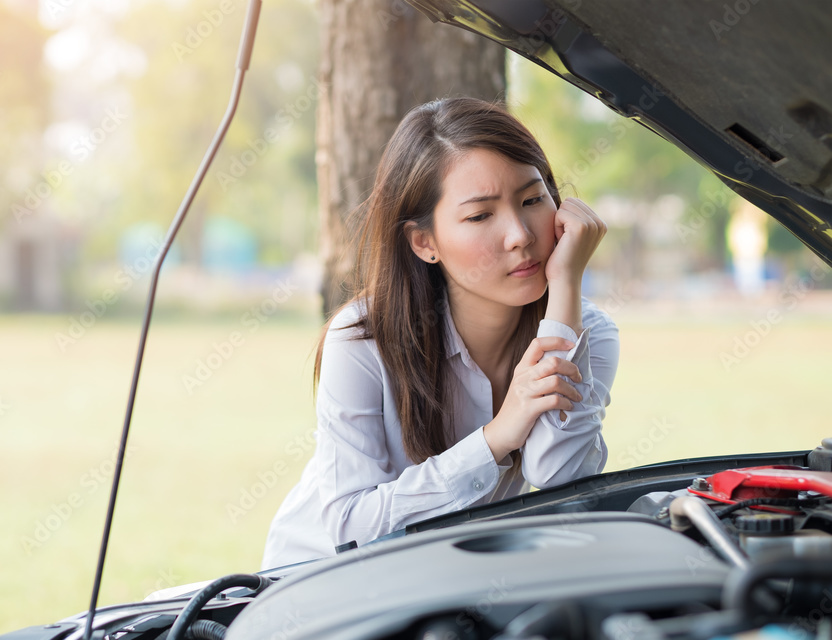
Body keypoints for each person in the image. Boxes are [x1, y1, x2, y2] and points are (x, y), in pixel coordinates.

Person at [261, 97, 619, 570]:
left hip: (447, 580)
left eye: (532, 200)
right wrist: (495, 439)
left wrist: (567, 284)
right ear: (424, 242)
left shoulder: (585, 330)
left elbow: (560, 477)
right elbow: (350, 525)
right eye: (479, 215)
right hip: (316, 581)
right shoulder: (362, 341)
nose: (520, 234)